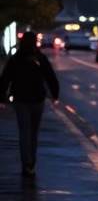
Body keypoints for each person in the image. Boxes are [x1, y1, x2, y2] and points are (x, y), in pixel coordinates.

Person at [0, 31, 60, 177]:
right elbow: (50, 77)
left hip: (20, 99)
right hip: (38, 99)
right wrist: (55, 95)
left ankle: (26, 164)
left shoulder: (16, 59)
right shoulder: (40, 57)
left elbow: (5, 78)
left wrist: (2, 98)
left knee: (24, 131)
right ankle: (31, 162)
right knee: (34, 132)